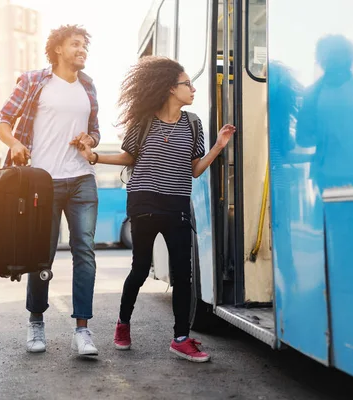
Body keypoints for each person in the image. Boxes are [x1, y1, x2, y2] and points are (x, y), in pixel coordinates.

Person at [72, 56, 235, 362]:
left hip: (177, 203)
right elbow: (127, 158)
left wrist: (218, 146)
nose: (193, 88)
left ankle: (181, 338)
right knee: (139, 268)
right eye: (187, 84)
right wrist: (93, 157)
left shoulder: (193, 123)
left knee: (183, 274)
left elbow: (195, 170)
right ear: (170, 88)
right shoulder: (144, 122)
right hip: (144, 200)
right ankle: (123, 324)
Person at [0, 24, 101, 356]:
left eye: (85, 45)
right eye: (75, 44)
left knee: (85, 254)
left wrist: (89, 141)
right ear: (58, 49)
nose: (82, 49)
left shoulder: (88, 85)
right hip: (43, 181)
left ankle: (82, 330)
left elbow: (95, 129)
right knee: (42, 255)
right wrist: (13, 144)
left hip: (82, 179)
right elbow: (1, 118)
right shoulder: (34, 81)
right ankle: (36, 321)